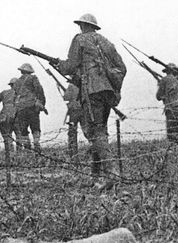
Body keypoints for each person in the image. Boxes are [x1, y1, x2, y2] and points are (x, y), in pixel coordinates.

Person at [55, 13, 126, 178]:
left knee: (94, 132)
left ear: (83, 26)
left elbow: (70, 66)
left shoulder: (79, 39)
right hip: (107, 92)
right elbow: (121, 67)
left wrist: (59, 65)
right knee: (100, 130)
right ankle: (96, 176)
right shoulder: (106, 42)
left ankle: (112, 174)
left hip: (91, 91)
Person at [13, 63, 46, 153]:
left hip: (20, 108)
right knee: (35, 127)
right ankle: (37, 146)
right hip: (31, 107)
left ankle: (27, 148)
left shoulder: (17, 82)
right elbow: (39, 90)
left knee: (23, 129)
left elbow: (14, 96)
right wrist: (42, 104)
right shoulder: (33, 78)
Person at [156, 63, 178, 143]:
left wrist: (160, 85)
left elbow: (158, 96)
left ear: (166, 71)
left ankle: (175, 150)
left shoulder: (165, 79)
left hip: (173, 108)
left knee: (172, 134)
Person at [0, 78, 17, 158]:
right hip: (16, 116)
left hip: (3, 118)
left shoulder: (4, 93)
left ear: (11, 85)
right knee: (20, 138)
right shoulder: (21, 94)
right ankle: (20, 158)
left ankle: (9, 158)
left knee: (7, 139)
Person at [63, 83, 87, 162]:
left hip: (74, 112)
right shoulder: (85, 84)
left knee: (72, 133)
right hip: (84, 111)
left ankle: (73, 156)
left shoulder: (71, 85)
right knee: (87, 132)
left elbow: (66, 97)